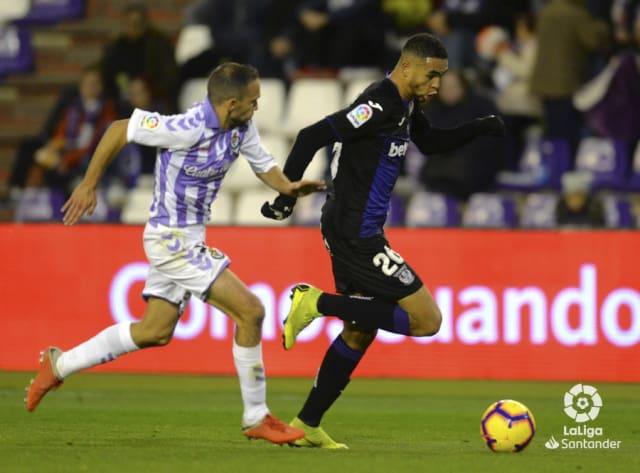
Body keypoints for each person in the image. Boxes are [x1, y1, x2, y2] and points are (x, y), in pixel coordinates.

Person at [25, 63, 326, 445]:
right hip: (170, 240)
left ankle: (59, 364)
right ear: (231, 103)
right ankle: (256, 416)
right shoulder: (185, 127)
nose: (257, 108)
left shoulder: (241, 128)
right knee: (251, 311)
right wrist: (88, 184)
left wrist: (288, 187)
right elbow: (120, 129)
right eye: (253, 101)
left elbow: (263, 164)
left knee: (154, 331)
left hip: (190, 238)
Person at [261, 33, 505, 448]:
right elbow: (310, 135)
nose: (436, 86)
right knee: (427, 320)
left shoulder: (407, 105)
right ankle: (314, 302)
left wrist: (479, 127)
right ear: (407, 66)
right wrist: (285, 197)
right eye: (431, 75)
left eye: (441, 78)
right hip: (355, 231)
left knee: (359, 330)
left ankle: (308, 423)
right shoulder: (379, 103)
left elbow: (429, 143)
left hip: (358, 227)